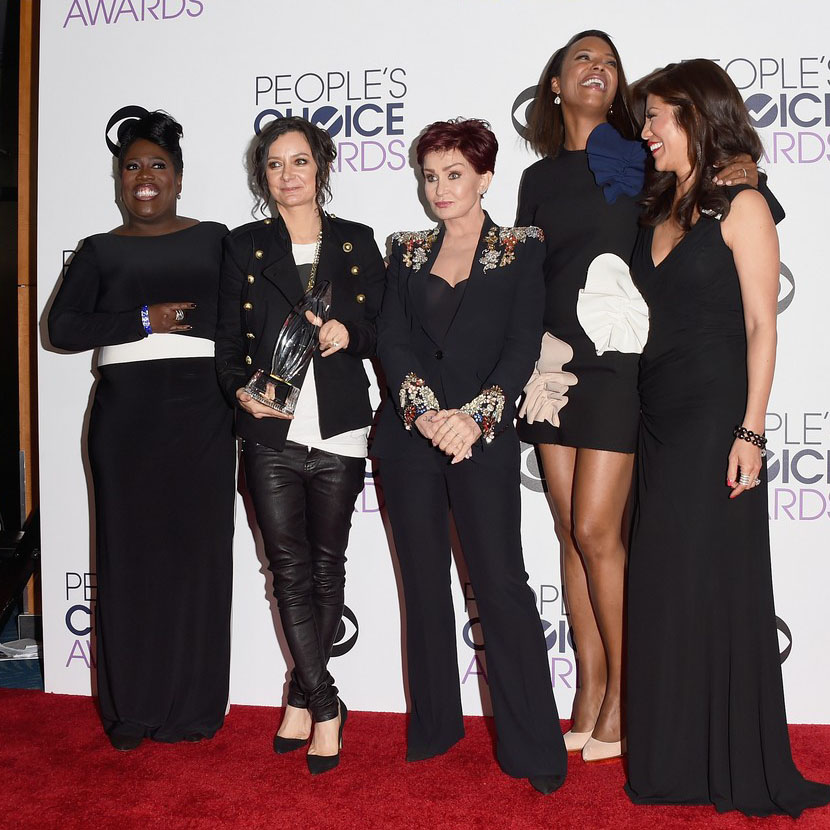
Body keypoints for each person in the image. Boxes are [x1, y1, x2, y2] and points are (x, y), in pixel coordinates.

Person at [516, 30, 776, 762]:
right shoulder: (538, 180)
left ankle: (628, 699)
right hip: (554, 372)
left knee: (600, 533)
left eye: (609, 61)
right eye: (581, 60)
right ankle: (591, 691)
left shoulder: (642, 159)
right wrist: (531, 359)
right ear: (556, 85)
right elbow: (537, 274)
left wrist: (742, 164)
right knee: (570, 533)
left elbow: (721, 190)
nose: (598, 68)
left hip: (623, 369)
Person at [625, 59, 830, 817]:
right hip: (659, 413)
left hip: (718, 416)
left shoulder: (743, 205)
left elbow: (762, 326)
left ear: (698, 117)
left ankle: (736, 765)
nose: (644, 131)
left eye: (658, 117)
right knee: (667, 588)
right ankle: (674, 760)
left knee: (714, 583)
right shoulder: (657, 207)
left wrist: (752, 430)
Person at [373, 118, 567, 796]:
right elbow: (390, 341)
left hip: (481, 439)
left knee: (502, 586)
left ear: (485, 177)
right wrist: (427, 414)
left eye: (454, 174)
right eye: (430, 175)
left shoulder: (521, 248)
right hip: (407, 438)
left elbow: (520, 347)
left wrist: (474, 419)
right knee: (423, 585)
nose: (440, 188)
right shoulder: (403, 249)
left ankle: (534, 747)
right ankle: (435, 728)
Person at [47, 111, 235, 750]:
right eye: (132, 167)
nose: (145, 178)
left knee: (198, 559)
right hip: (125, 419)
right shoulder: (100, 250)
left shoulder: (215, 239)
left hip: (204, 414)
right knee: (128, 561)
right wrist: (144, 319)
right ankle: (132, 712)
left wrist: (182, 318)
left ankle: (195, 708)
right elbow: (62, 330)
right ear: (118, 180)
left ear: (179, 179)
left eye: (158, 166)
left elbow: (241, 314)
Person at [215, 116, 384, 775]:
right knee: (286, 570)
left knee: (326, 568)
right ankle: (326, 701)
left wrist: (351, 333)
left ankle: (297, 695)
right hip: (269, 431)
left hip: (339, 425)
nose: (288, 175)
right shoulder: (243, 246)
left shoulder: (357, 243)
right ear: (263, 177)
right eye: (275, 165)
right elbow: (227, 346)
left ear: (322, 167)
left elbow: (381, 329)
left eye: (300, 162)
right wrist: (238, 391)